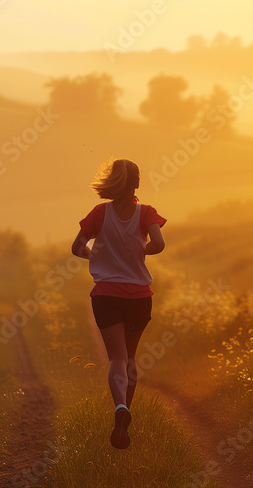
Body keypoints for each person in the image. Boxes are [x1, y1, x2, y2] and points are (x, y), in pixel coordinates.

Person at [71, 158, 166, 449]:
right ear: (136, 182)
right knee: (130, 359)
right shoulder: (146, 213)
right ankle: (125, 412)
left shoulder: (99, 214)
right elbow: (159, 244)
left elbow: (77, 247)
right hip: (139, 297)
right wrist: (143, 250)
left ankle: (120, 407)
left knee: (115, 358)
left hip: (107, 296)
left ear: (113, 182)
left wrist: (96, 256)